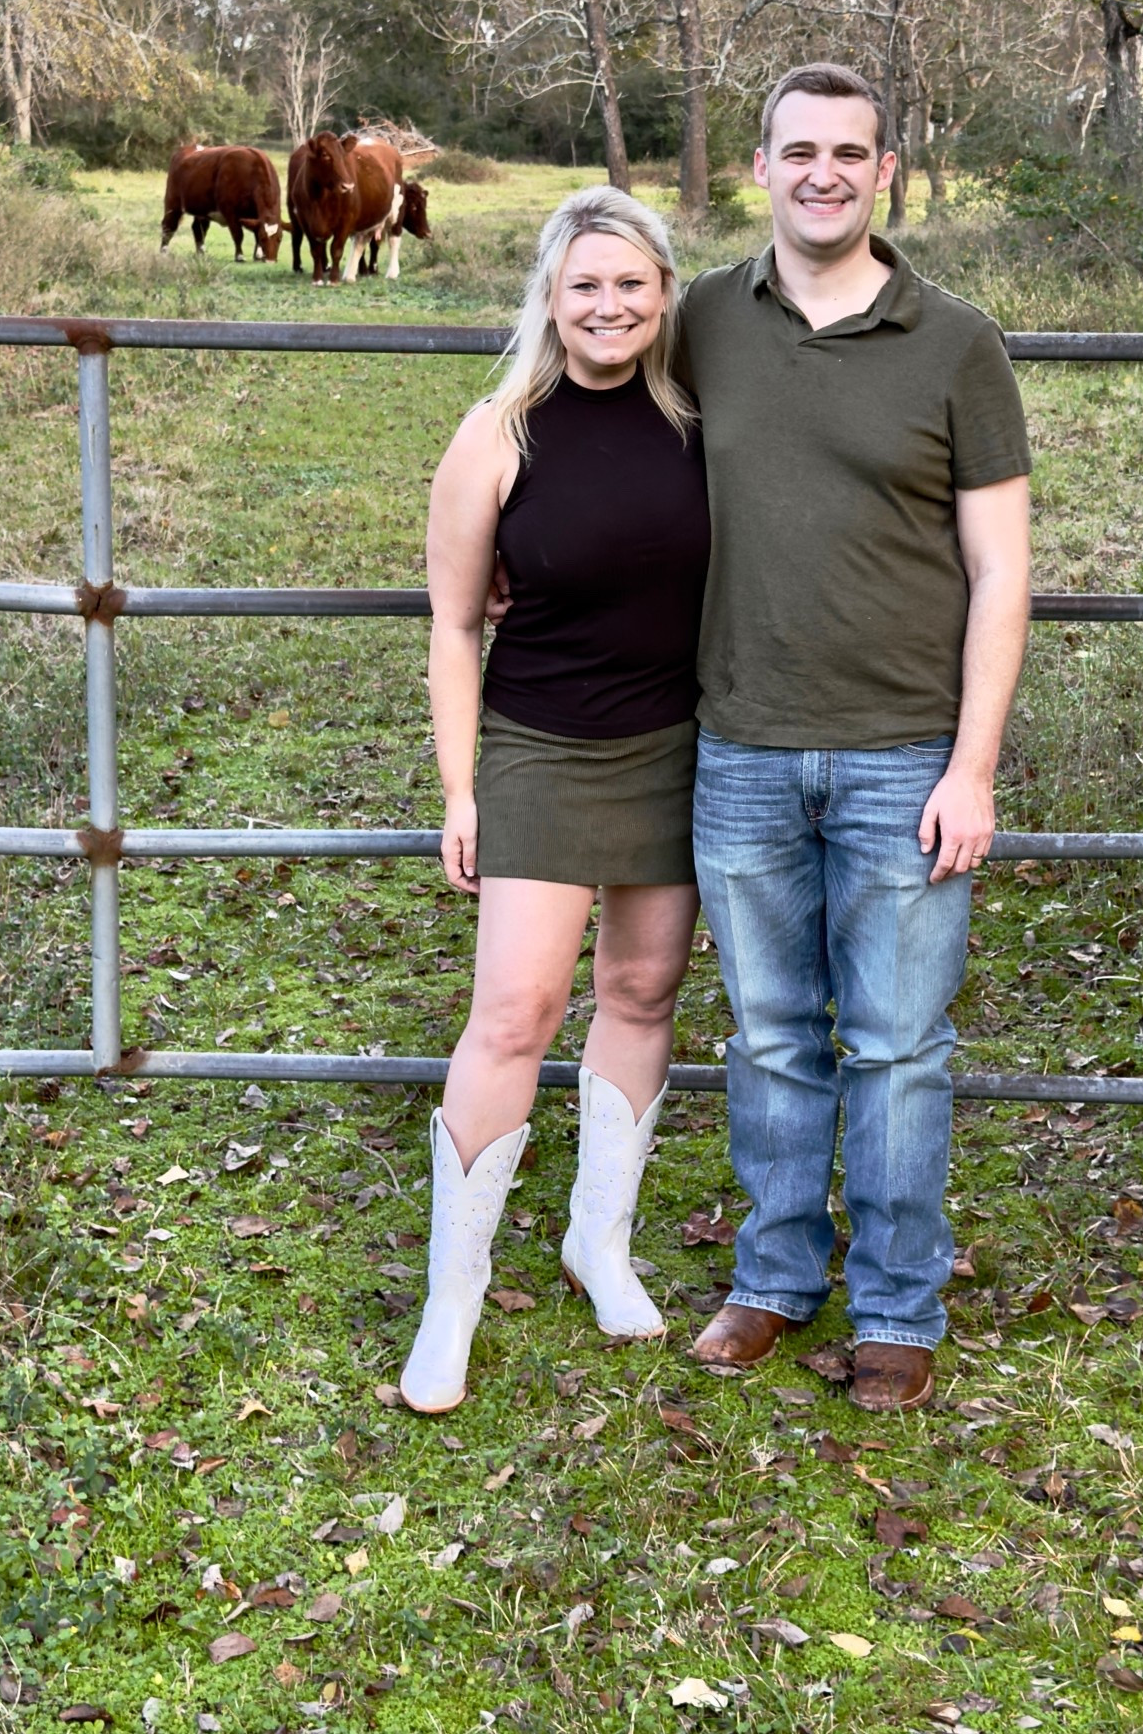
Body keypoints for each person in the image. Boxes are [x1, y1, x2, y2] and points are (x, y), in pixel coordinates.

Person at [683, 62, 1032, 1413]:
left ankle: (896, 1304)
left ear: (884, 171)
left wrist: (974, 764)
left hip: (904, 752)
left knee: (895, 1041)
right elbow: (575, 395)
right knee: (770, 1032)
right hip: (743, 742)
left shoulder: (956, 343)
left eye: (850, 151)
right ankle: (774, 1275)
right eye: (798, 150)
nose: (823, 172)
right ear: (759, 167)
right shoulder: (705, 318)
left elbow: (1001, 570)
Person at [399, 187, 709, 1415]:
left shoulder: (699, 420)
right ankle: (452, 1296)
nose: (609, 305)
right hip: (536, 744)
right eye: (585, 284)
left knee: (641, 991)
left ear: (664, 293)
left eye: (631, 283)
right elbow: (452, 622)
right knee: (516, 1010)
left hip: (675, 746)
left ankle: (599, 1242)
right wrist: (461, 786)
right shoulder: (498, 432)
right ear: (549, 295)